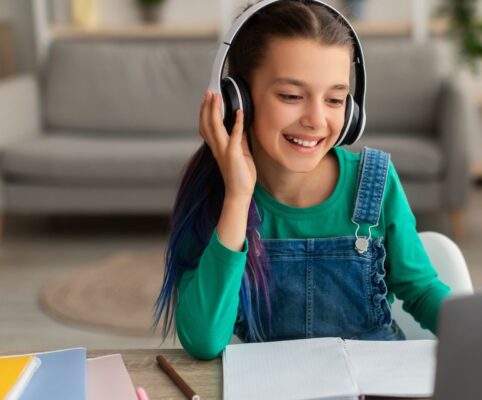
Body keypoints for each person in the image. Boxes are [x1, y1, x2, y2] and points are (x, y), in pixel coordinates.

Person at [153, 0, 452, 360]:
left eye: (335, 99)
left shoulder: (374, 182)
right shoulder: (217, 193)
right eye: (291, 96)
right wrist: (238, 196)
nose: (315, 119)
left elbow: (421, 291)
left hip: (375, 381)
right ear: (238, 99)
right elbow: (204, 341)